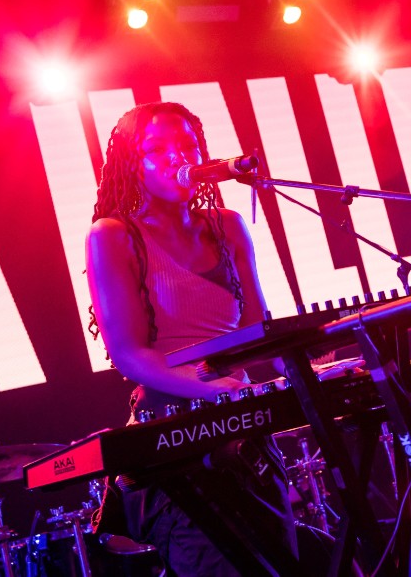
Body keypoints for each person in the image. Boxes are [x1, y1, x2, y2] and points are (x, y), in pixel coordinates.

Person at [85, 101, 296, 576]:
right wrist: (208, 389)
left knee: (280, 562)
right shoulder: (113, 236)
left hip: (245, 428)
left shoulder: (228, 227)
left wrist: (309, 370)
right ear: (131, 166)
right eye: (154, 149)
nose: (175, 157)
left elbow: (257, 332)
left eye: (186, 145)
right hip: (173, 437)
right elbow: (128, 353)